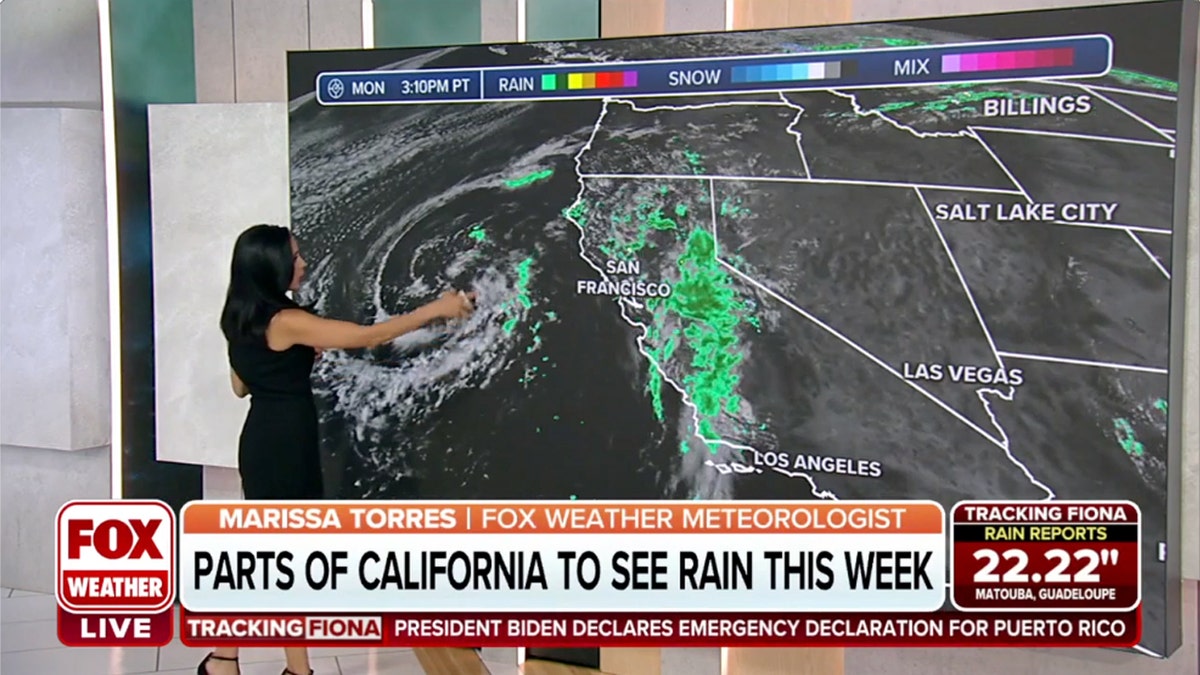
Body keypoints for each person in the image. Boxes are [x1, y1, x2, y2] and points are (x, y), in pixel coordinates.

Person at [199, 224, 474, 675]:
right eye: (295, 256)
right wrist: (437, 309)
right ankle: (281, 668)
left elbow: (240, 386)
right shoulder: (286, 321)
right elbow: (370, 337)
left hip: (263, 440)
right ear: (272, 266)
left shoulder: (239, 316)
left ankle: (227, 659)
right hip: (287, 446)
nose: (302, 263)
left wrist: (285, 363)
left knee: (269, 560)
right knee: (283, 562)